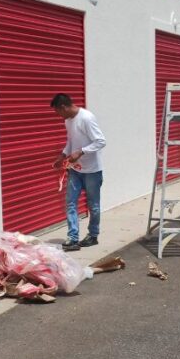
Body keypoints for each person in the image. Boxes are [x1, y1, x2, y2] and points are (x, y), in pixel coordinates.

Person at [50, 93, 106, 251]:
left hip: (92, 171)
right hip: (75, 169)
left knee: (93, 205)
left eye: (58, 112)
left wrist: (81, 152)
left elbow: (101, 141)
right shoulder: (68, 121)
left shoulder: (86, 118)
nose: (59, 116)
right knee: (70, 202)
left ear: (63, 107)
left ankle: (93, 235)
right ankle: (73, 238)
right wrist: (62, 155)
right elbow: (71, 141)